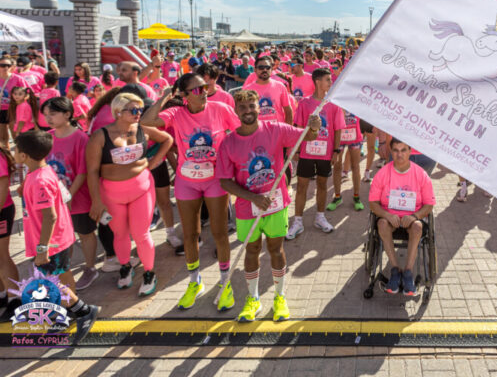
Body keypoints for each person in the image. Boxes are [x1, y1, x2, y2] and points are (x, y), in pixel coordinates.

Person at [218, 89, 321, 322]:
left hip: (277, 204)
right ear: (235, 110)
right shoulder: (228, 142)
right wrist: (251, 197)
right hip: (247, 209)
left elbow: (309, 137)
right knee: (252, 251)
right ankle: (253, 299)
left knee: (276, 250)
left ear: (259, 107)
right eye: (242, 107)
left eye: (252, 106)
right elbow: (225, 181)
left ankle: (279, 297)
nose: (248, 111)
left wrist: (314, 126)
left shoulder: (275, 128)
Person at [140, 73, 240, 310]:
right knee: (190, 234)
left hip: (215, 179)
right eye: (196, 90)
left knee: (220, 233)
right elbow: (146, 121)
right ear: (184, 96)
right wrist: (164, 97)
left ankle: (225, 283)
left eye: (204, 87)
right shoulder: (176, 113)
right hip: (187, 182)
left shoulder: (220, 108)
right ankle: (195, 282)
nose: (203, 92)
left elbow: (239, 134)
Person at [15, 130, 99, 342]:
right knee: (61, 275)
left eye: (15, 150)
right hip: (57, 238)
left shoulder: (39, 181)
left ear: (24, 155)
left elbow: (50, 217)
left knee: (50, 283)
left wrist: (42, 250)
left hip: (50, 242)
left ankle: (83, 311)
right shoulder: (42, 172)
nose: (13, 153)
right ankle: (66, 311)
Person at [86, 93, 172, 296]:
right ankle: (125, 266)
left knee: (142, 233)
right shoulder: (100, 136)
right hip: (112, 193)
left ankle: (149, 272)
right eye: (133, 110)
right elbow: (92, 171)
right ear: (118, 112)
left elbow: (167, 139)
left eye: (140, 110)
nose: (138, 114)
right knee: (121, 234)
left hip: (142, 189)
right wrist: (96, 200)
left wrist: (152, 163)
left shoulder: (143, 129)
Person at [42, 97, 98, 290]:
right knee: (61, 237)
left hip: (78, 198)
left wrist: (69, 196)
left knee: (85, 232)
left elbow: (83, 171)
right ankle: (65, 269)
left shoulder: (80, 138)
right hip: (53, 200)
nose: (48, 118)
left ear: (67, 114)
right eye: (46, 114)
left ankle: (90, 268)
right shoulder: (47, 137)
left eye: (53, 114)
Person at [368, 138, 435, 296]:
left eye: (403, 150)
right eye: (396, 151)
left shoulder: (421, 174)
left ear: (410, 152)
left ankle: (408, 273)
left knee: (418, 227)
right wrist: (387, 215)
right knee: (382, 224)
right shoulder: (383, 173)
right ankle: (396, 269)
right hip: (389, 218)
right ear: (391, 152)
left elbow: (429, 204)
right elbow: (373, 203)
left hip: (413, 219)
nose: (400, 155)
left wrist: (414, 216)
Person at [286, 68, 345, 239]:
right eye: (328, 80)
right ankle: (297, 221)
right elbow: (297, 127)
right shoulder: (304, 103)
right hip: (306, 152)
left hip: (326, 154)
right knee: (302, 186)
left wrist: (336, 150)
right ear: (318, 82)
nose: (330, 82)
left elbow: (338, 129)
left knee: (322, 184)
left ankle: (320, 217)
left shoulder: (333, 104)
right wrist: (296, 149)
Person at [327, 109, 365, 212]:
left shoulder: (356, 101)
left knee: (355, 167)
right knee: (337, 167)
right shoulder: (338, 102)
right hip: (339, 138)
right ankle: (337, 197)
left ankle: (356, 197)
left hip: (355, 137)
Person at [242, 58, 293, 125]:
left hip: (277, 131)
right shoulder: (247, 90)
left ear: (271, 69)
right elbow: (243, 114)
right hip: (257, 132)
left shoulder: (280, 86)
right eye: (261, 68)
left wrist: (287, 130)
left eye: (267, 67)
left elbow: (288, 111)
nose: (265, 70)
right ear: (255, 69)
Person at [0, 146, 19, 321]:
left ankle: (15, 299)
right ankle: (3, 294)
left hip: (1, 211)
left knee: (2, 256)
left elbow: (3, 186)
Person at [0, 58, 27, 149]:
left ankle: (19, 158)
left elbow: (28, 92)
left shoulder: (17, 79)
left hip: (14, 109)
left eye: (8, 65)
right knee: (2, 138)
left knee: (16, 136)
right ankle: (8, 159)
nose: (6, 67)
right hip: (1, 110)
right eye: (3, 65)